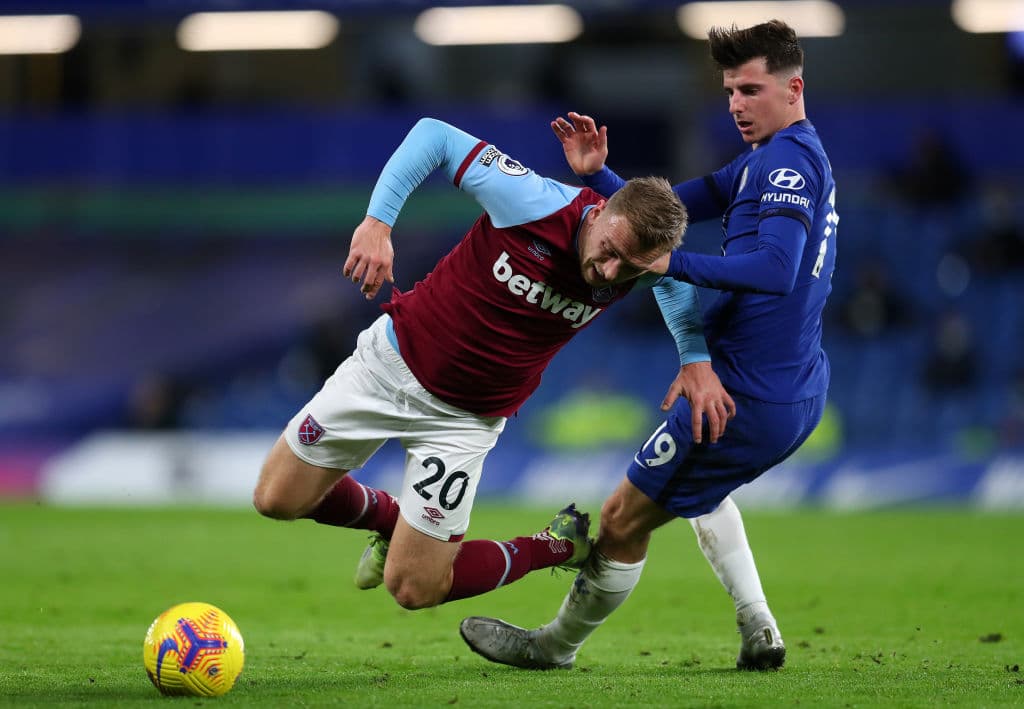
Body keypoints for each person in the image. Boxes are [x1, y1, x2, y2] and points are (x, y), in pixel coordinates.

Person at [460, 19, 837, 670]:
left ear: (793, 88)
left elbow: (777, 270)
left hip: (745, 394)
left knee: (620, 519)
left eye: (750, 90)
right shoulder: (770, 159)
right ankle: (759, 625)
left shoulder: (785, 165)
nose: (736, 104)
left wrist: (668, 265)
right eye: (729, 91)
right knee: (701, 490)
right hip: (792, 382)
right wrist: (602, 177)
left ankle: (553, 647)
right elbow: (672, 210)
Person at [252, 116, 735, 611]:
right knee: (275, 498)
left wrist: (694, 358)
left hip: (464, 422)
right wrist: (378, 222)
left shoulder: (639, 262)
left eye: (629, 267)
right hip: (387, 366)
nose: (610, 273)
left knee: (415, 589)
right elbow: (434, 136)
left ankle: (556, 545)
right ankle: (393, 522)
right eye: (610, 252)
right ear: (599, 212)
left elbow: (674, 285)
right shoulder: (535, 200)